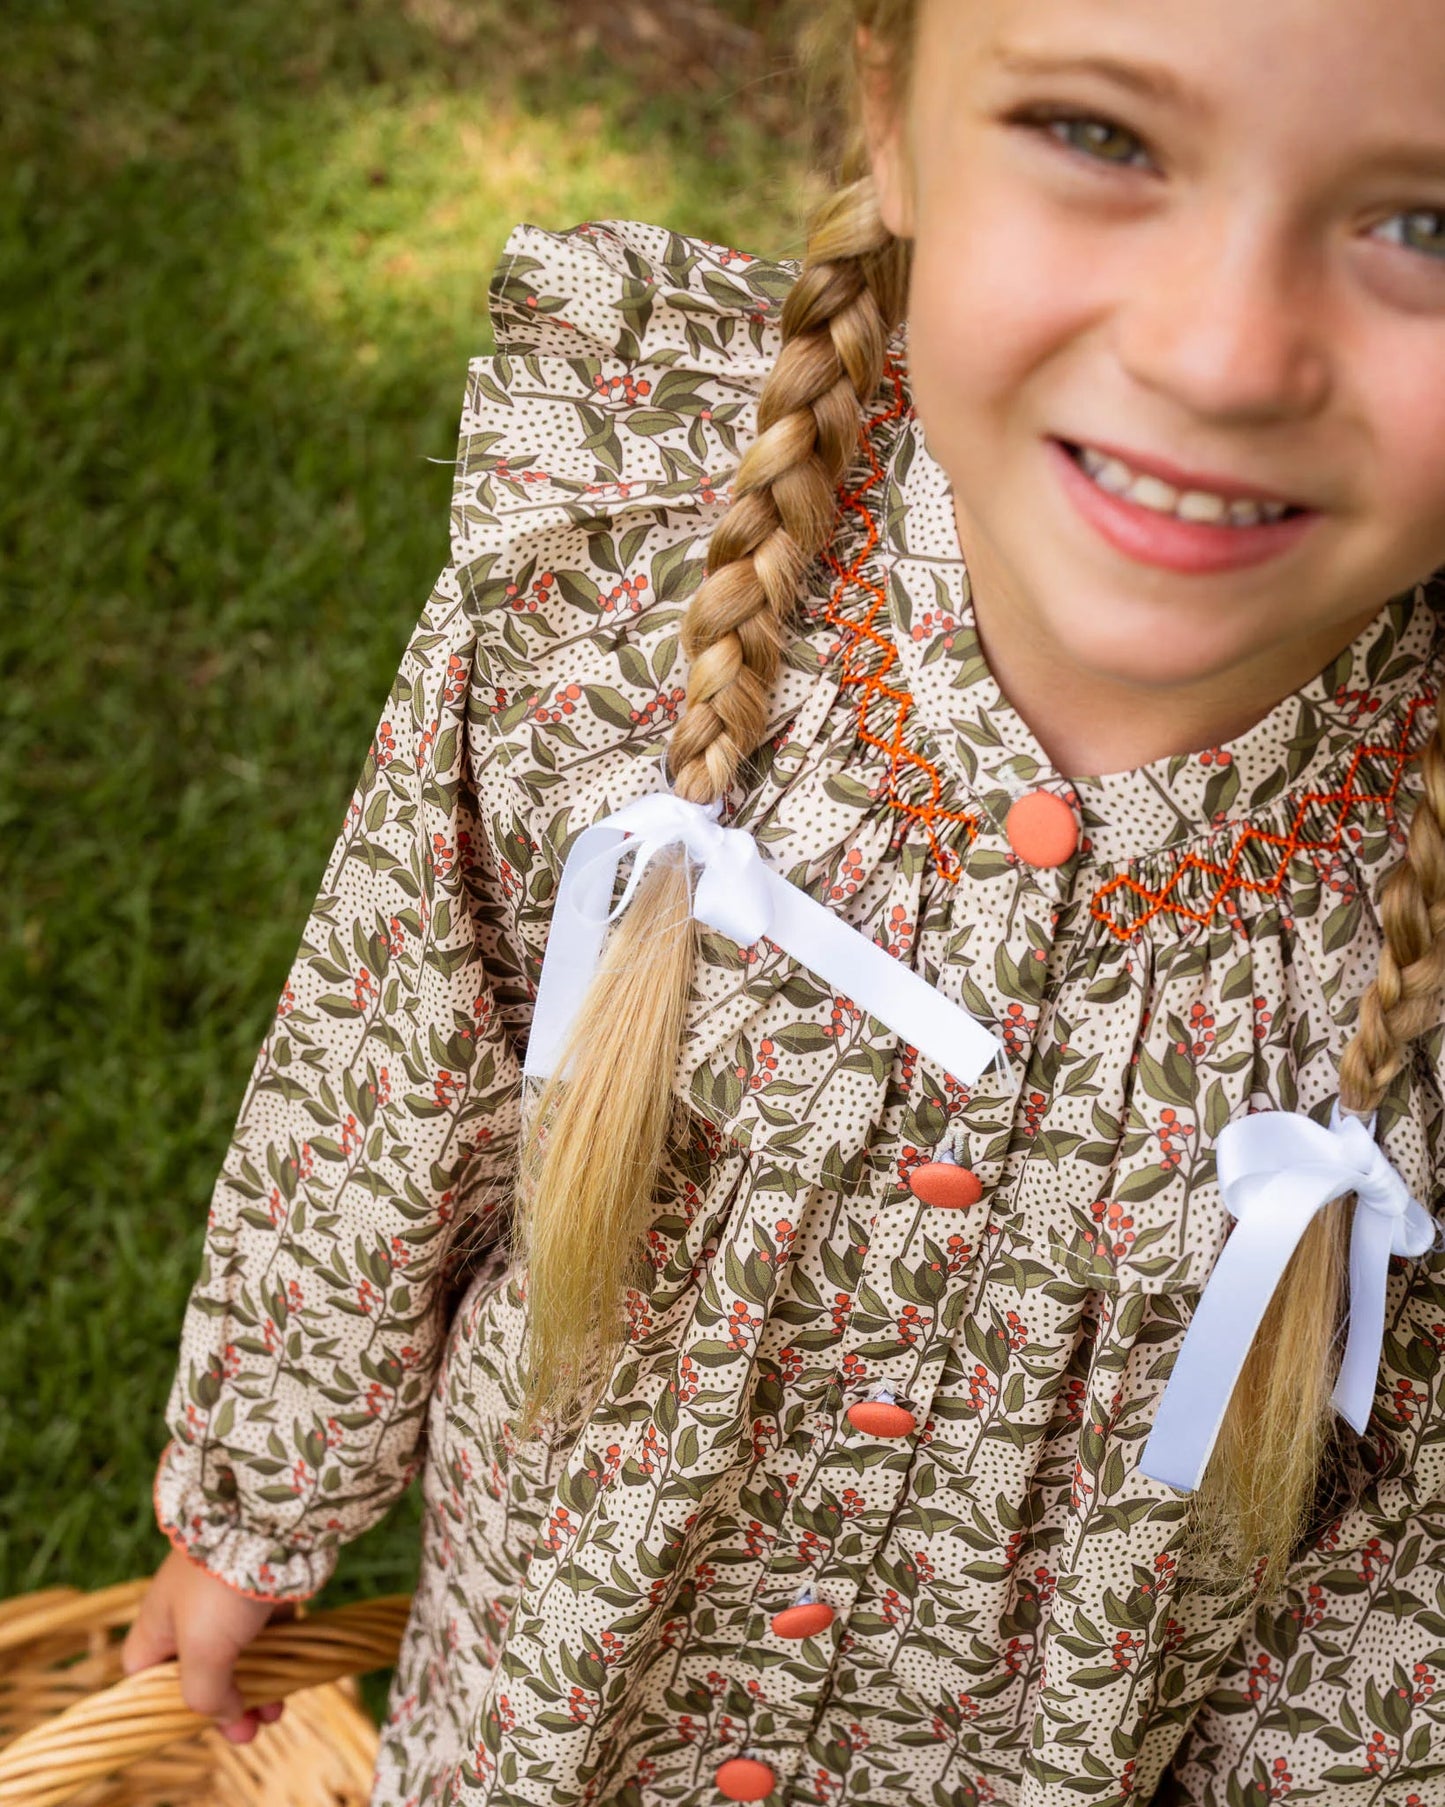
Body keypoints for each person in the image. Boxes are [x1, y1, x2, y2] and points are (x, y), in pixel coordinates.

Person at [119, 1, 1445, 1801]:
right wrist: (252, 1510)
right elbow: (393, 1055)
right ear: (891, 114)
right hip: (538, 1718)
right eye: (1100, 139)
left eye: (1422, 227)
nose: (1220, 352)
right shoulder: (619, 603)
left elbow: (1397, 1607)